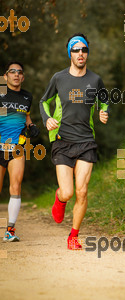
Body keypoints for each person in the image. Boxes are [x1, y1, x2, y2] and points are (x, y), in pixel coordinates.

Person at [40, 33, 109, 250]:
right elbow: (44, 101)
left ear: (87, 53)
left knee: (82, 191)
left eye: (84, 49)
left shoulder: (95, 80)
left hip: (86, 141)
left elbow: (105, 101)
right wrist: (47, 118)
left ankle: (73, 235)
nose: (80, 53)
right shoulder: (59, 78)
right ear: (69, 53)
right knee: (68, 192)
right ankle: (59, 199)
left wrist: (103, 112)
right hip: (63, 141)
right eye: (76, 50)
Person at [0, 61, 39, 242]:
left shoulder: (27, 96)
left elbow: (26, 116)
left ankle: (10, 231)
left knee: (16, 186)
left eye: (19, 72)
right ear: (6, 75)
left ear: (23, 77)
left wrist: (31, 125)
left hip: (17, 147)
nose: (16, 74)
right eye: (12, 71)